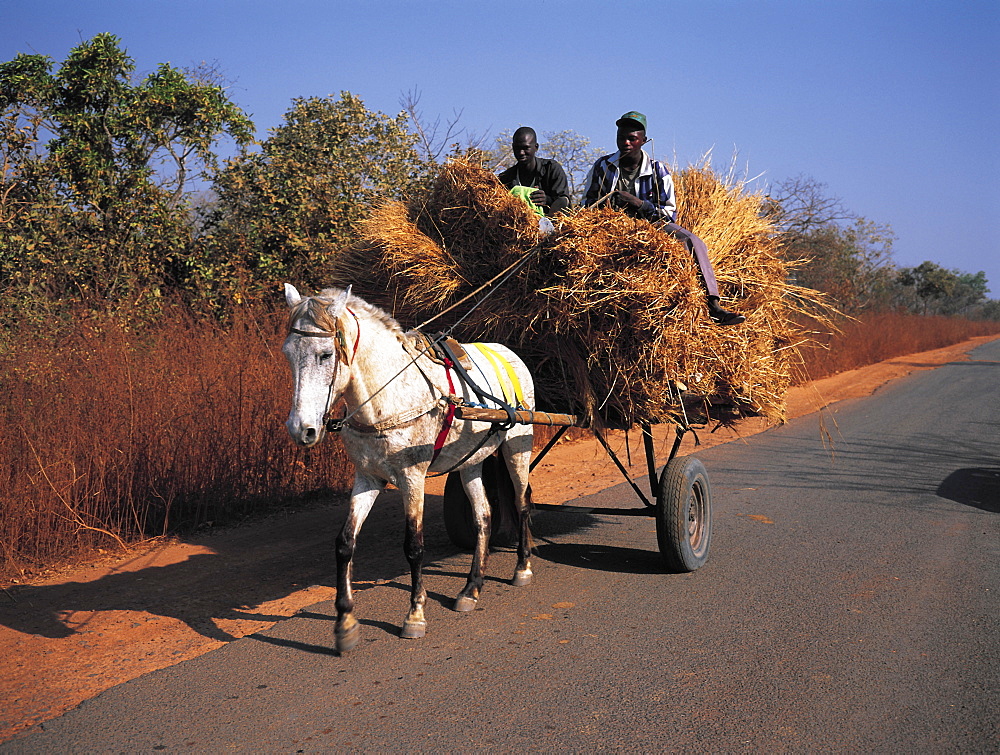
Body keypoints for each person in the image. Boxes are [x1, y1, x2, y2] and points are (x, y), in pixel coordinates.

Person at [582, 112, 745, 326]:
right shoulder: (603, 166)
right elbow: (587, 205)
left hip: (652, 227)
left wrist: (639, 204)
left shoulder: (658, 170)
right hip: (611, 228)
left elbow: (669, 214)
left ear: (644, 141)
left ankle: (713, 305)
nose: (626, 143)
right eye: (621, 137)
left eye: (632, 138)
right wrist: (608, 209)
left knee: (691, 240)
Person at [498, 127, 571, 216]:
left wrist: (547, 200)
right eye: (517, 148)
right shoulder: (505, 178)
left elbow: (564, 203)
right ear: (513, 147)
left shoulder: (551, 169)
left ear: (536, 147)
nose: (521, 153)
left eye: (526, 148)